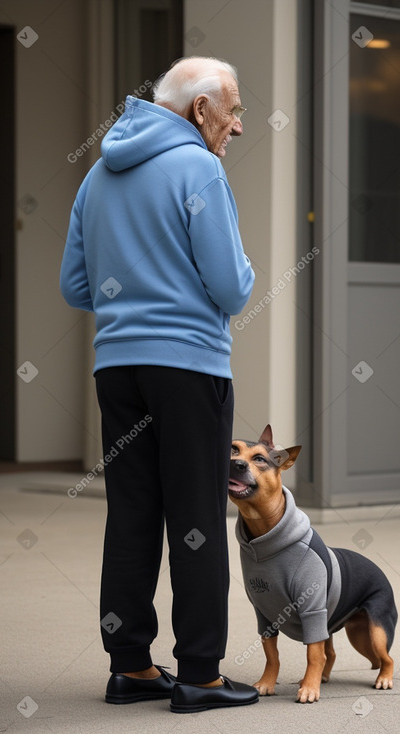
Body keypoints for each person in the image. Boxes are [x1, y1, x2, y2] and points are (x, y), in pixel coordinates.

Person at [60, 56, 257, 713]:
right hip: (189, 366)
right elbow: (230, 287)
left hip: (117, 367)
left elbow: (75, 286)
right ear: (200, 109)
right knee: (196, 517)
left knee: (133, 514)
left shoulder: (98, 170)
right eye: (231, 111)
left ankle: (132, 667)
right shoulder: (199, 167)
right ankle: (199, 675)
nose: (235, 125)